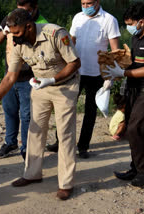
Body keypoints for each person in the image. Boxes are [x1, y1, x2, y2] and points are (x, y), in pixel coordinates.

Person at [0, 9, 81, 200]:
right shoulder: (19, 44)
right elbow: (11, 76)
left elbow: (75, 63)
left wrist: (52, 80)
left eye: (17, 33)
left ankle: (66, 183)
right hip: (40, 87)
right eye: (11, 34)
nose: (14, 38)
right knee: (35, 131)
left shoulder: (55, 34)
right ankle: (32, 174)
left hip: (65, 86)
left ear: (28, 27)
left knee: (65, 133)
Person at [103, 2, 144, 187]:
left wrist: (122, 73)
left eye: (130, 23)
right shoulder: (137, 36)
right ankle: (135, 168)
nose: (128, 27)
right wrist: (115, 68)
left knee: (135, 129)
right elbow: (135, 62)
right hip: (134, 89)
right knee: (131, 129)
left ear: (141, 21)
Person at [47, 0, 121, 158]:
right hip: (76, 71)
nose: (85, 6)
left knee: (90, 111)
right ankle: (60, 141)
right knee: (65, 107)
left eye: (89, 3)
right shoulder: (78, 17)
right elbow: (71, 41)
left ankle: (83, 146)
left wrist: (112, 74)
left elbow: (115, 50)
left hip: (96, 73)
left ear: (97, 2)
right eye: (83, 3)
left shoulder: (109, 20)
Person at [0, 0, 48, 160]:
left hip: (30, 79)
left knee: (27, 115)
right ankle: (10, 142)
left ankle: (27, 149)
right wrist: (5, 31)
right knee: (9, 110)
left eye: (26, 11)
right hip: (10, 74)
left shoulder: (42, 24)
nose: (21, 13)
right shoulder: (11, 18)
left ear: (35, 9)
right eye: (19, 9)